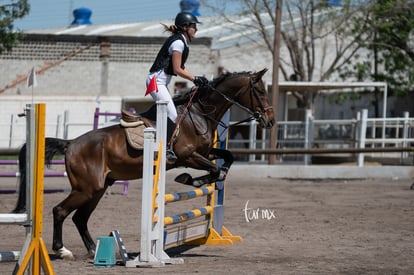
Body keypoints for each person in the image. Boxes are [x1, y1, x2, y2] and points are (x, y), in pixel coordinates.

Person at [146, 11, 208, 163]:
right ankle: (166, 149)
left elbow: (180, 68)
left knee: (171, 112)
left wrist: (197, 78)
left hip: (160, 82)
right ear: (185, 27)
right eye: (194, 26)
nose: (196, 29)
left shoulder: (181, 42)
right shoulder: (178, 43)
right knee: (172, 115)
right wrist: (194, 78)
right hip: (156, 82)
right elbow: (177, 70)